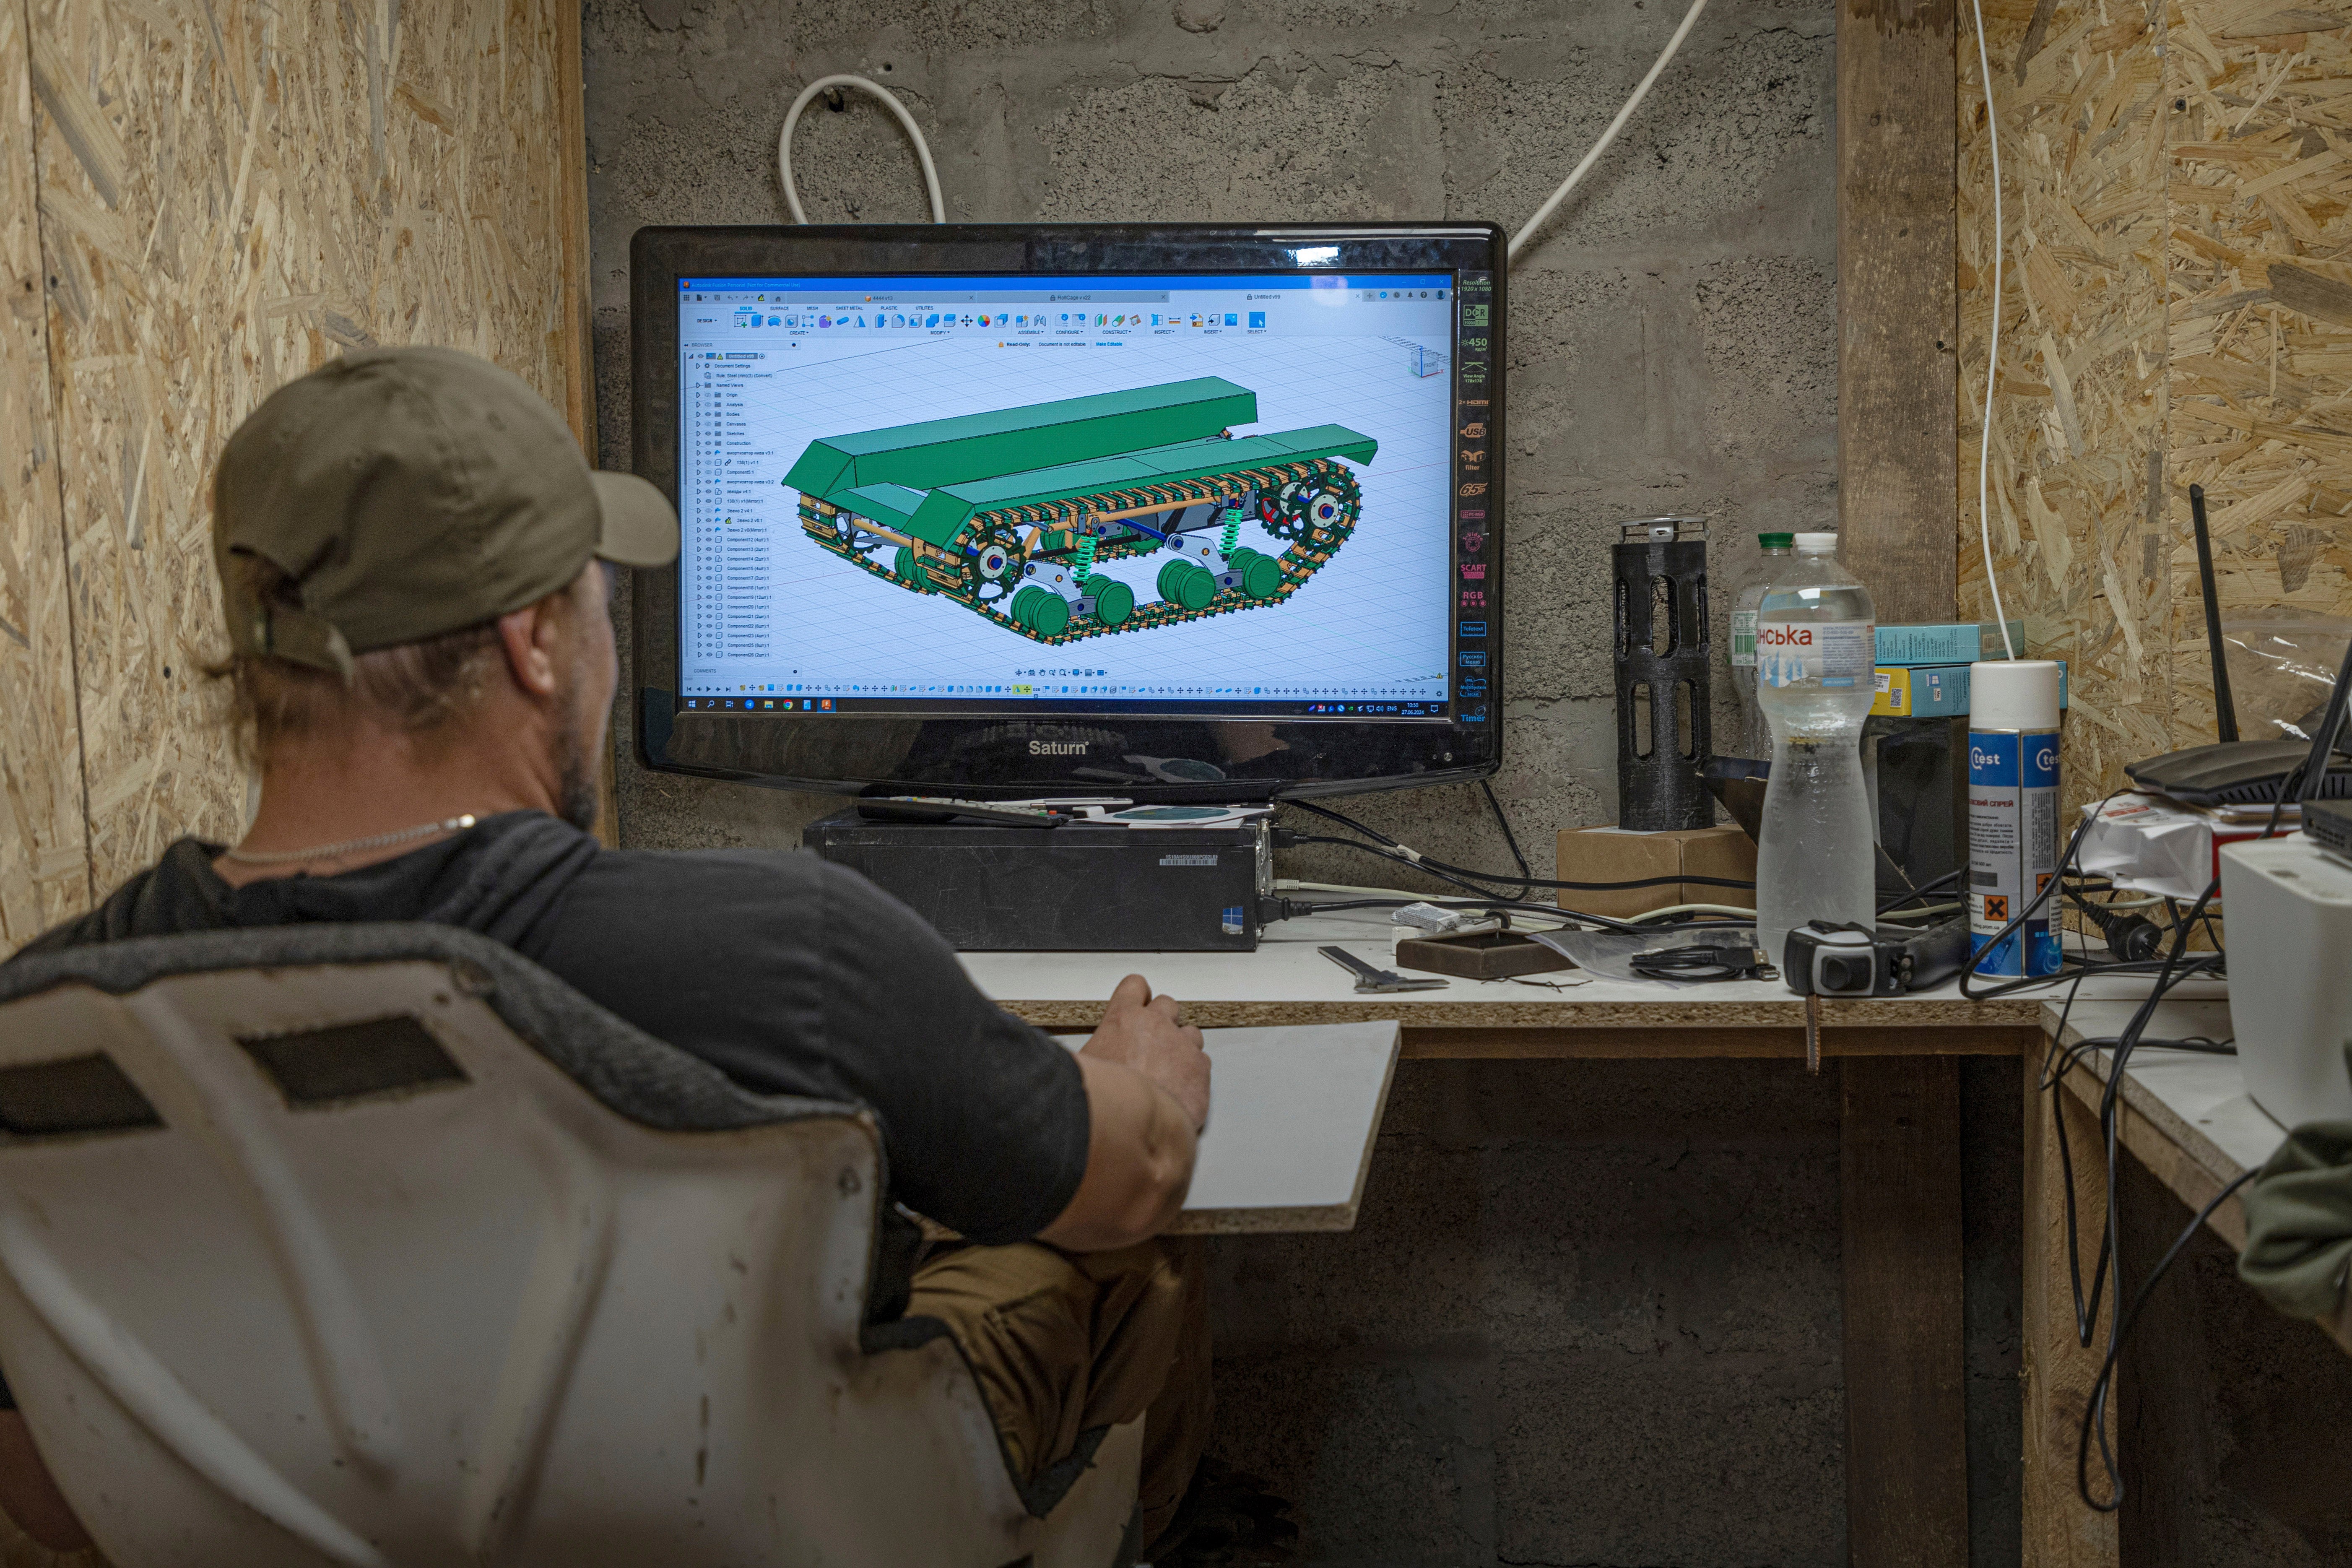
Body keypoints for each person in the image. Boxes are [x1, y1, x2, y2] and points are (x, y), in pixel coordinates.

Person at [0, 348, 1216, 1556]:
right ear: (534, 639)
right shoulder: (791, 951)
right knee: (1118, 1242)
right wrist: (1140, 1089)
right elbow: (1130, 1181)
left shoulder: (40, 1029)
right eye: (596, 599)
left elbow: (49, 1491)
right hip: (784, 1520)